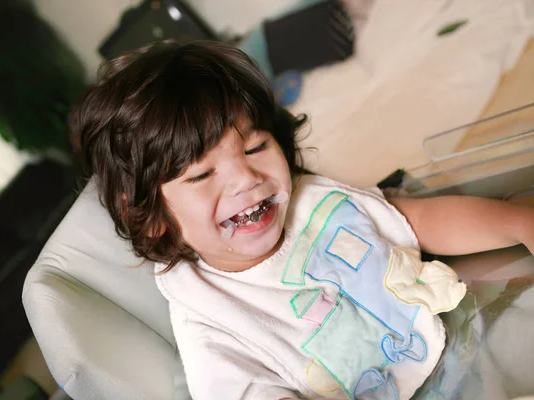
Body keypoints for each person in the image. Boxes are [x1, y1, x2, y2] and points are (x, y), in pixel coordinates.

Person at [70, 40, 534, 399]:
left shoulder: (311, 203)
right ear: (152, 219)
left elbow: (412, 220)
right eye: (203, 174)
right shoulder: (211, 319)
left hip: (457, 331)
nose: (246, 179)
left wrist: (518, 223)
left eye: (255, 148)